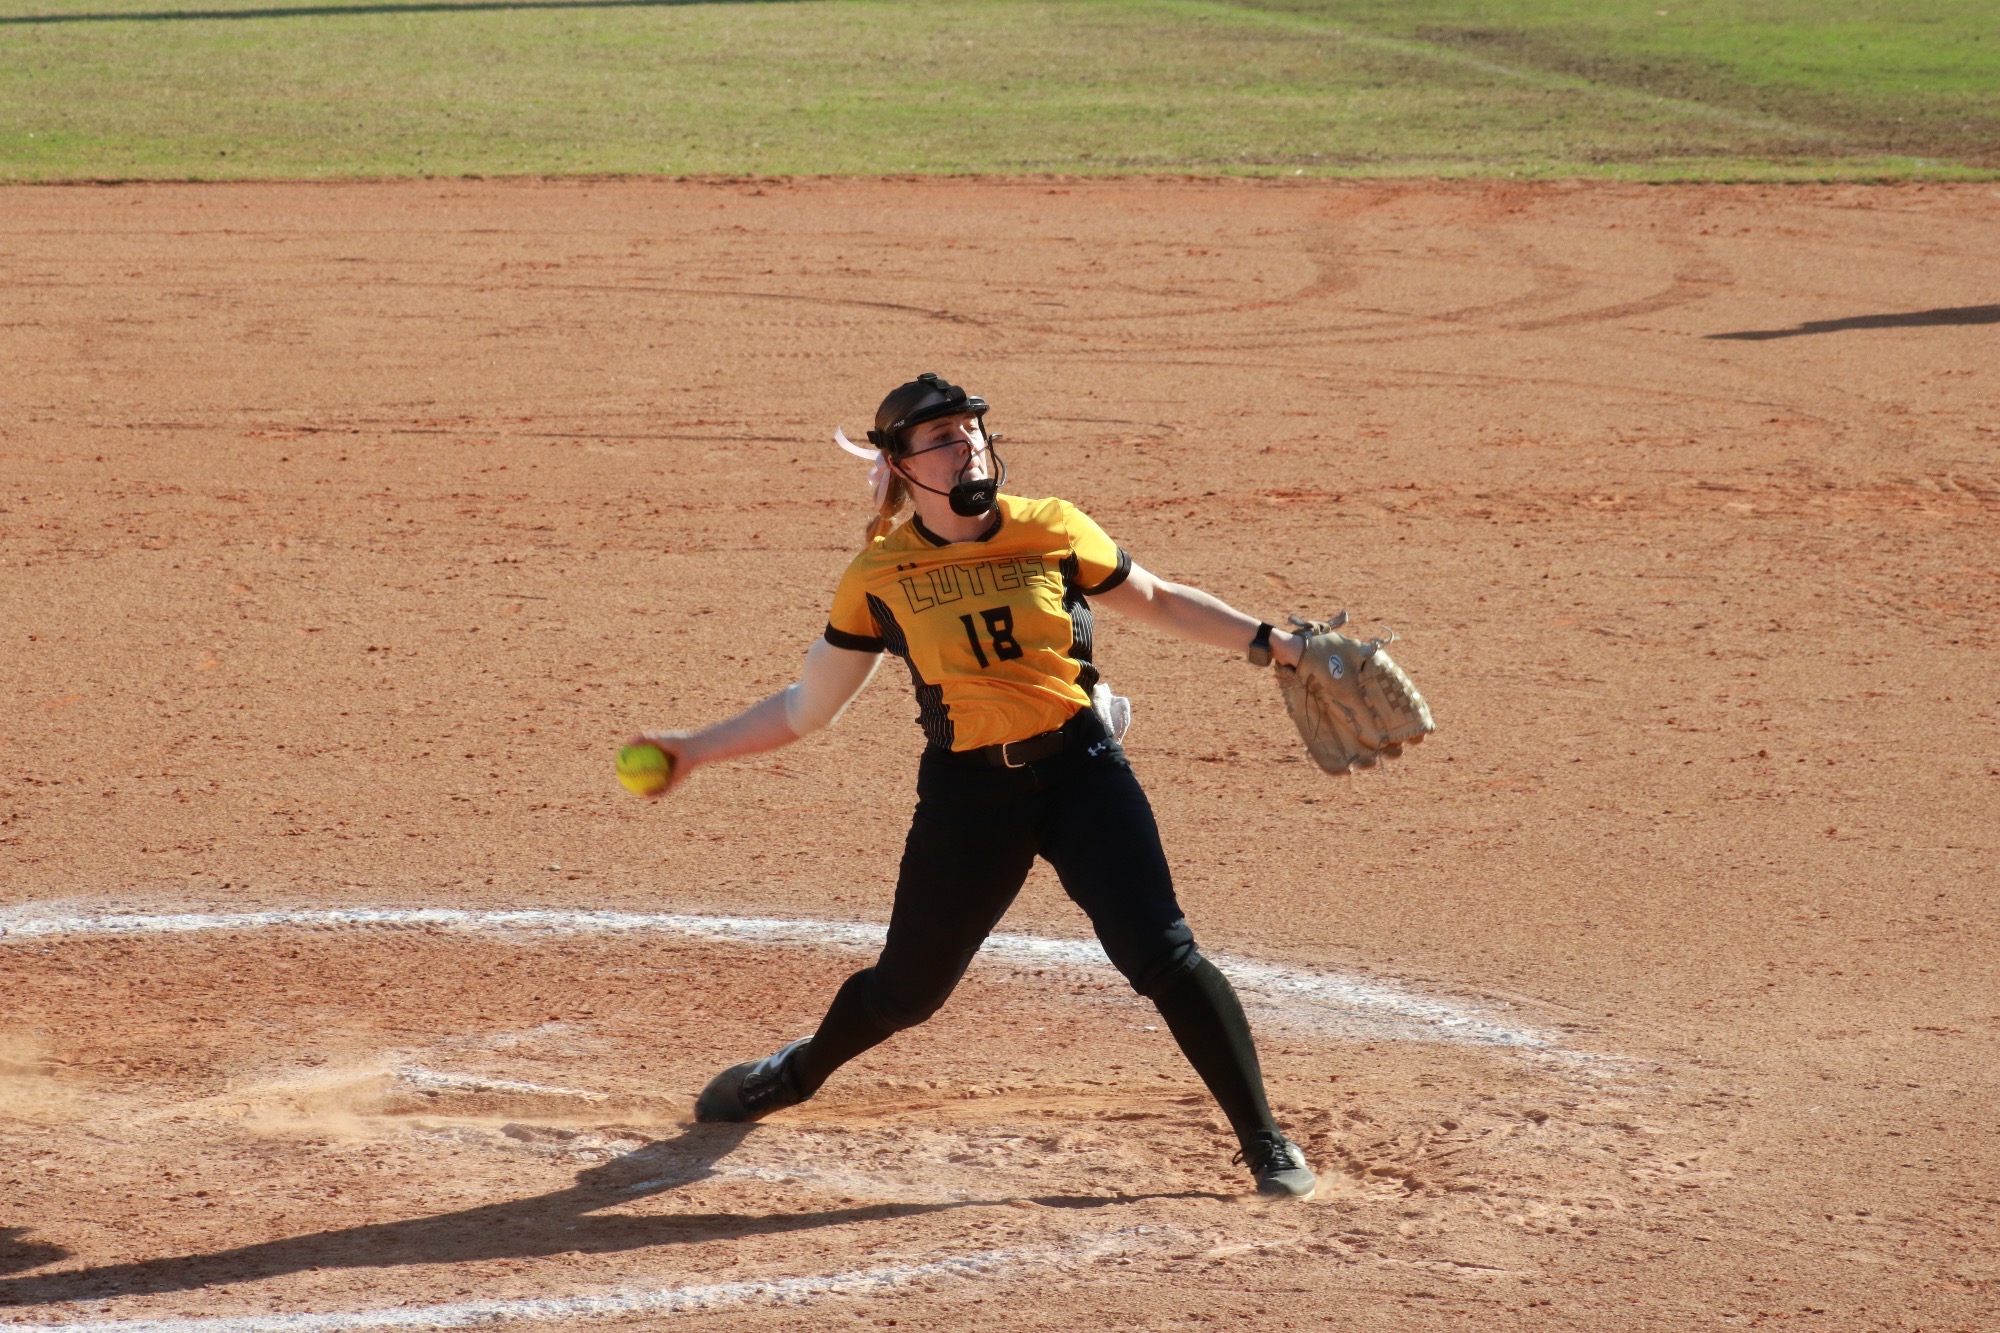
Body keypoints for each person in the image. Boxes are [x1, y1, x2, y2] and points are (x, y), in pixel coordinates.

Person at [633, 373, 1317, 1198]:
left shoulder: (1051, 527)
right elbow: (808, 707)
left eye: (972, 431)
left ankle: (1264, 1140)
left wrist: (1279, 644)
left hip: (1083, 771)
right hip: (969, 799)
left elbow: (1160, 600)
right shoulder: (879, 576)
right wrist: (693, 750)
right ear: (902, 464)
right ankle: (795, 1072)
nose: (966, 446)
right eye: (943, 437)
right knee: (905, 992)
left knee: (1162, 952)